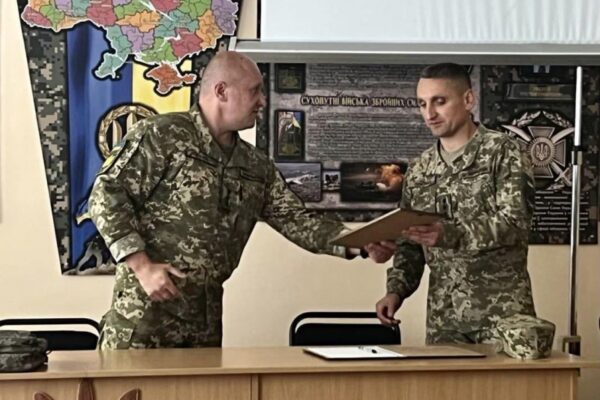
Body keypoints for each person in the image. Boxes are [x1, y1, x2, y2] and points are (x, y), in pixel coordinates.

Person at [89, 51, 395, 349]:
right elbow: (106, 193)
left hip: (205, 321)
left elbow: (297, 220)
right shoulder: (162, 135)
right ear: (222, 91)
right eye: (254, 91)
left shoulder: (255, 165)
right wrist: (142, 267)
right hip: (144, 315)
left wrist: (359, 242)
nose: (262, 101)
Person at [374, 63, 536, 345]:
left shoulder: (503, 152)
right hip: (445, 319)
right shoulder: (420, 169)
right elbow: (411, 243)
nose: (429, 114)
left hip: (502, 316)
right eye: (422, 104)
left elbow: (515, 223)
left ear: (468, 100)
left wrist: (450, 233)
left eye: (440, 101)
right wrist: (396, 291)